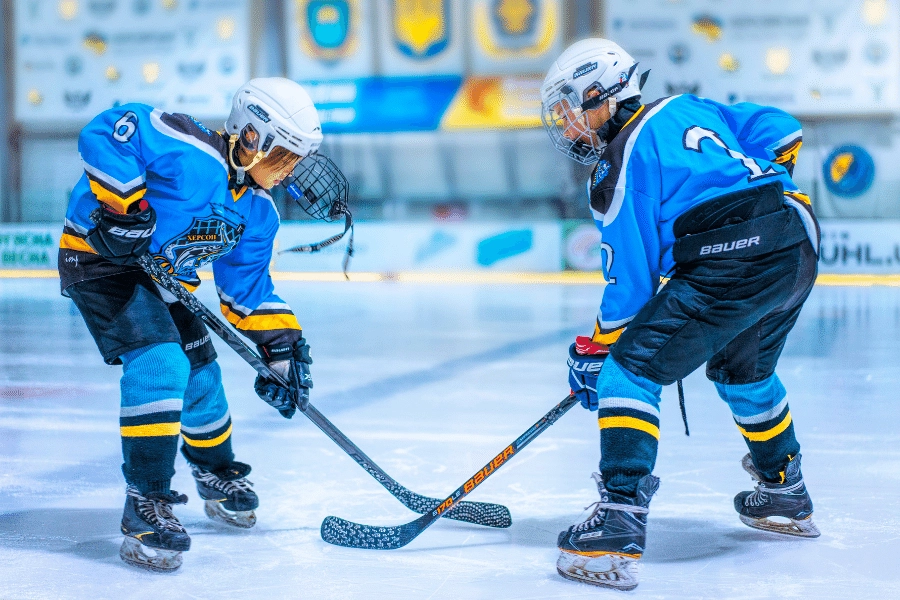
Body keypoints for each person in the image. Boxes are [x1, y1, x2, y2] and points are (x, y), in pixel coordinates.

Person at [541, 39, 820, 590]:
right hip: (796, 238)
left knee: (630, 368)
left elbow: (630, 290)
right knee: (746, 372)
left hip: (734, 255)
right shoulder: (689, 108)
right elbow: (783, 130)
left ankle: (619, 516)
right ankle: (785, 490)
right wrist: (754, 189)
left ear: (603, 95)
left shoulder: (617, 167)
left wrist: (597, 353)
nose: (568, 124)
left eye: (572, 107)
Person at [58, 77, 346, 572]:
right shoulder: (190, 151)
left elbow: (247, 292)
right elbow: (109, 130)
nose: (287, 173)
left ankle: (215, 473)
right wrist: (124, 207)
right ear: (251, 136)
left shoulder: (258, 214)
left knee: (203, 379)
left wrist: (280, 349)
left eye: (294, 163)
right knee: (161, 361)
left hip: (165, 277)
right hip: (101, 259)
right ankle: (146, 502)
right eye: (283, 157)